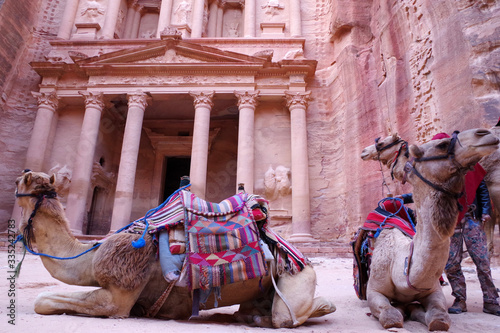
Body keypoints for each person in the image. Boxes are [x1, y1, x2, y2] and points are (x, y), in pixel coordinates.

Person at [431, 132, 500, 316]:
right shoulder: (437, 169)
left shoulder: (470, 165)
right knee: (452, 263)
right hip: (451, 222)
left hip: (471, 218)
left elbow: (481, 187)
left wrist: (485, 210)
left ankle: (491, 301)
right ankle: (460, 300)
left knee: (482, 260)